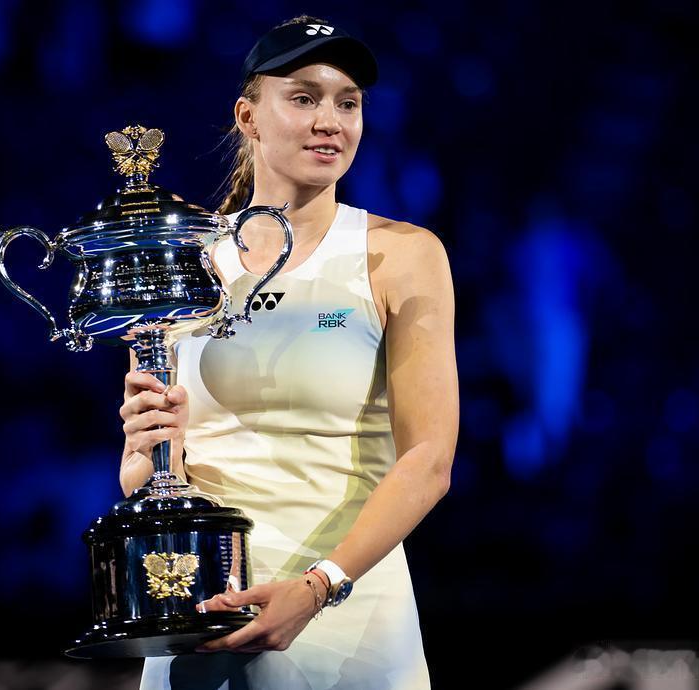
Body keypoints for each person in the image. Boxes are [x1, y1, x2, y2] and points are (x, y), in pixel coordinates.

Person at [118, 15, 458, 689]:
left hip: (350, 617)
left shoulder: (403, 255)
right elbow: (144, 479)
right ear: (247, 116)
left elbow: (429, 461)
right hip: (204, 616)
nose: (330, 121)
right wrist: (144, 450)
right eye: (303, 98)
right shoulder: (182, 260)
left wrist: (319, 585)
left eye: (347, 103)